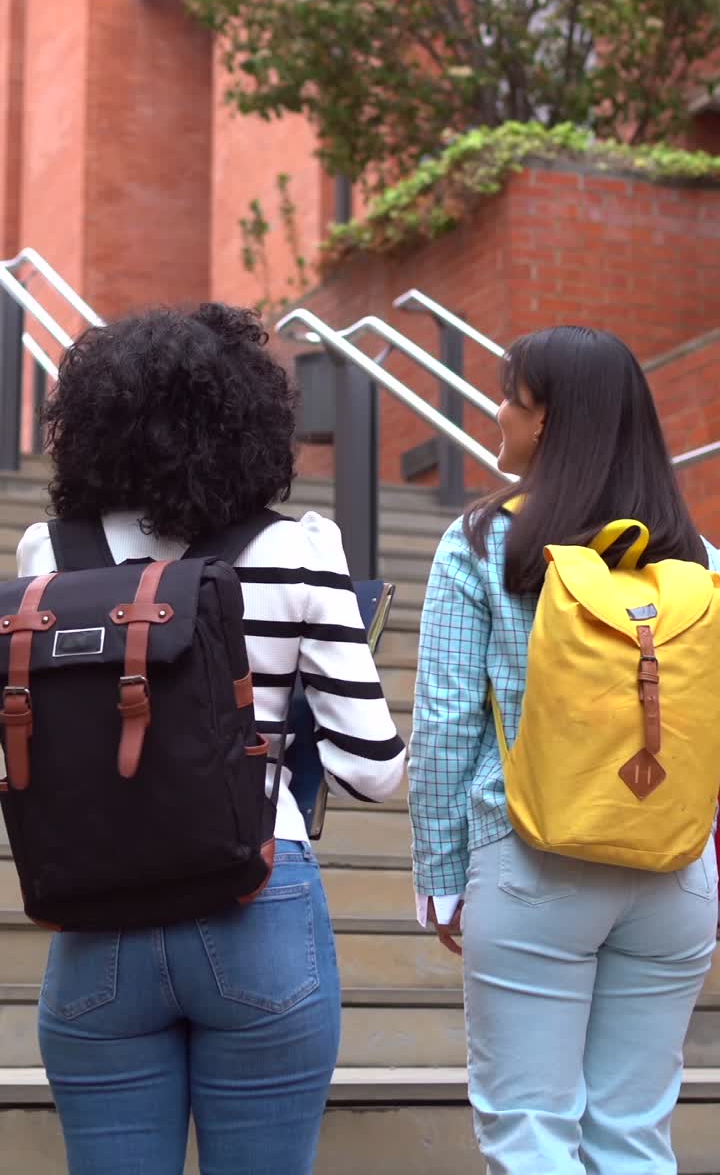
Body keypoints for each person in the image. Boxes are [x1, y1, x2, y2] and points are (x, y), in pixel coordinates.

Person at [17, 302, 405, 1175]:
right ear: (249, 426)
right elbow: (373, 772)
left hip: (97, 908)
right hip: (258, 897)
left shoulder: (51, 552)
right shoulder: (303, 549)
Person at [408, 325, 718, 1175]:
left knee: (533, 1133)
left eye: (510, 395)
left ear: (545, 420)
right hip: (676, 871)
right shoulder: (705, 565)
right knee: (634, 1136)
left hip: (532, 857)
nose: (496, 411)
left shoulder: (481, 545)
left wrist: (439, 875)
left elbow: (441, 722)